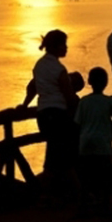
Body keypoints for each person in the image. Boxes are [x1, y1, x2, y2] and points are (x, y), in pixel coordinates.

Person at [28, 30, 77, 198]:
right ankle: (49, 196)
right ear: (56, 46)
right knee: (61, 157)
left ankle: (55, 195)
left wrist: (24, 104)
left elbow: (33, 87)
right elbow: (69, 96)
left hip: (43, 115)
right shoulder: (59, 69)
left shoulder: (39, 65)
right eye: (64, 44)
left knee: (56, 154)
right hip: (58, 115)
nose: (66, 48)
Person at [74, 67, 112, 209]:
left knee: (86, 174)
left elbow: (77, 122)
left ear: (89, 82)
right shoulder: (109, 102)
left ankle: (84, 204)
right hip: (103, 141)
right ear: (106, 83)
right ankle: (105, 203)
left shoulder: (83, 101)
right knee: (104, 174)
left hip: (85, 141)